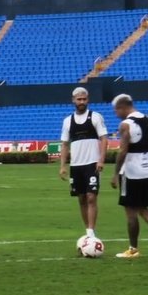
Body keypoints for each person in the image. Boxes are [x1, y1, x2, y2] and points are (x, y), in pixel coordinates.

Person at [109, 94, 148, 259]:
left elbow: (123, 151)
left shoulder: (126, 125)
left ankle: (133, 249)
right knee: (143, 207)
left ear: (122, 107)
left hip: (131, 171)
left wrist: (115, 174)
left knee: (130, 211)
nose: (116, 114)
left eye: (116, 110)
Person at [59, 87, 108, 240]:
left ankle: (91, 232)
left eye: (84, 99)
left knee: (91, 197)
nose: (81, 102)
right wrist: (63, 166)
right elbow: (65, 144)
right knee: (81, 198)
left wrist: (101, 160)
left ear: (88, 100)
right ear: (73, 100)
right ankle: (87, 230)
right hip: (76, 165)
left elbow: (104, 139)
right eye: (79, 99)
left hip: (92, 163)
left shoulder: (95, 117)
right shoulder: (67, 121)